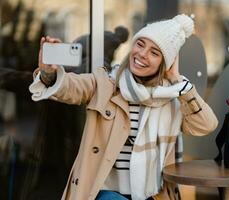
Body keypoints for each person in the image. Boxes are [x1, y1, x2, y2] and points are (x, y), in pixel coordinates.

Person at [29, 14, 218, 200]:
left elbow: (206, 125)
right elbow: (69, 88)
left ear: (165, 63)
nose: (142, 54)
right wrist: (48, 74)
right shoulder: (106, 83)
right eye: (140, 44)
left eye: (154, 52)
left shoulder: (171, 98)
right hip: (103, 192)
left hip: (151, 194)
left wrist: (177, 80)